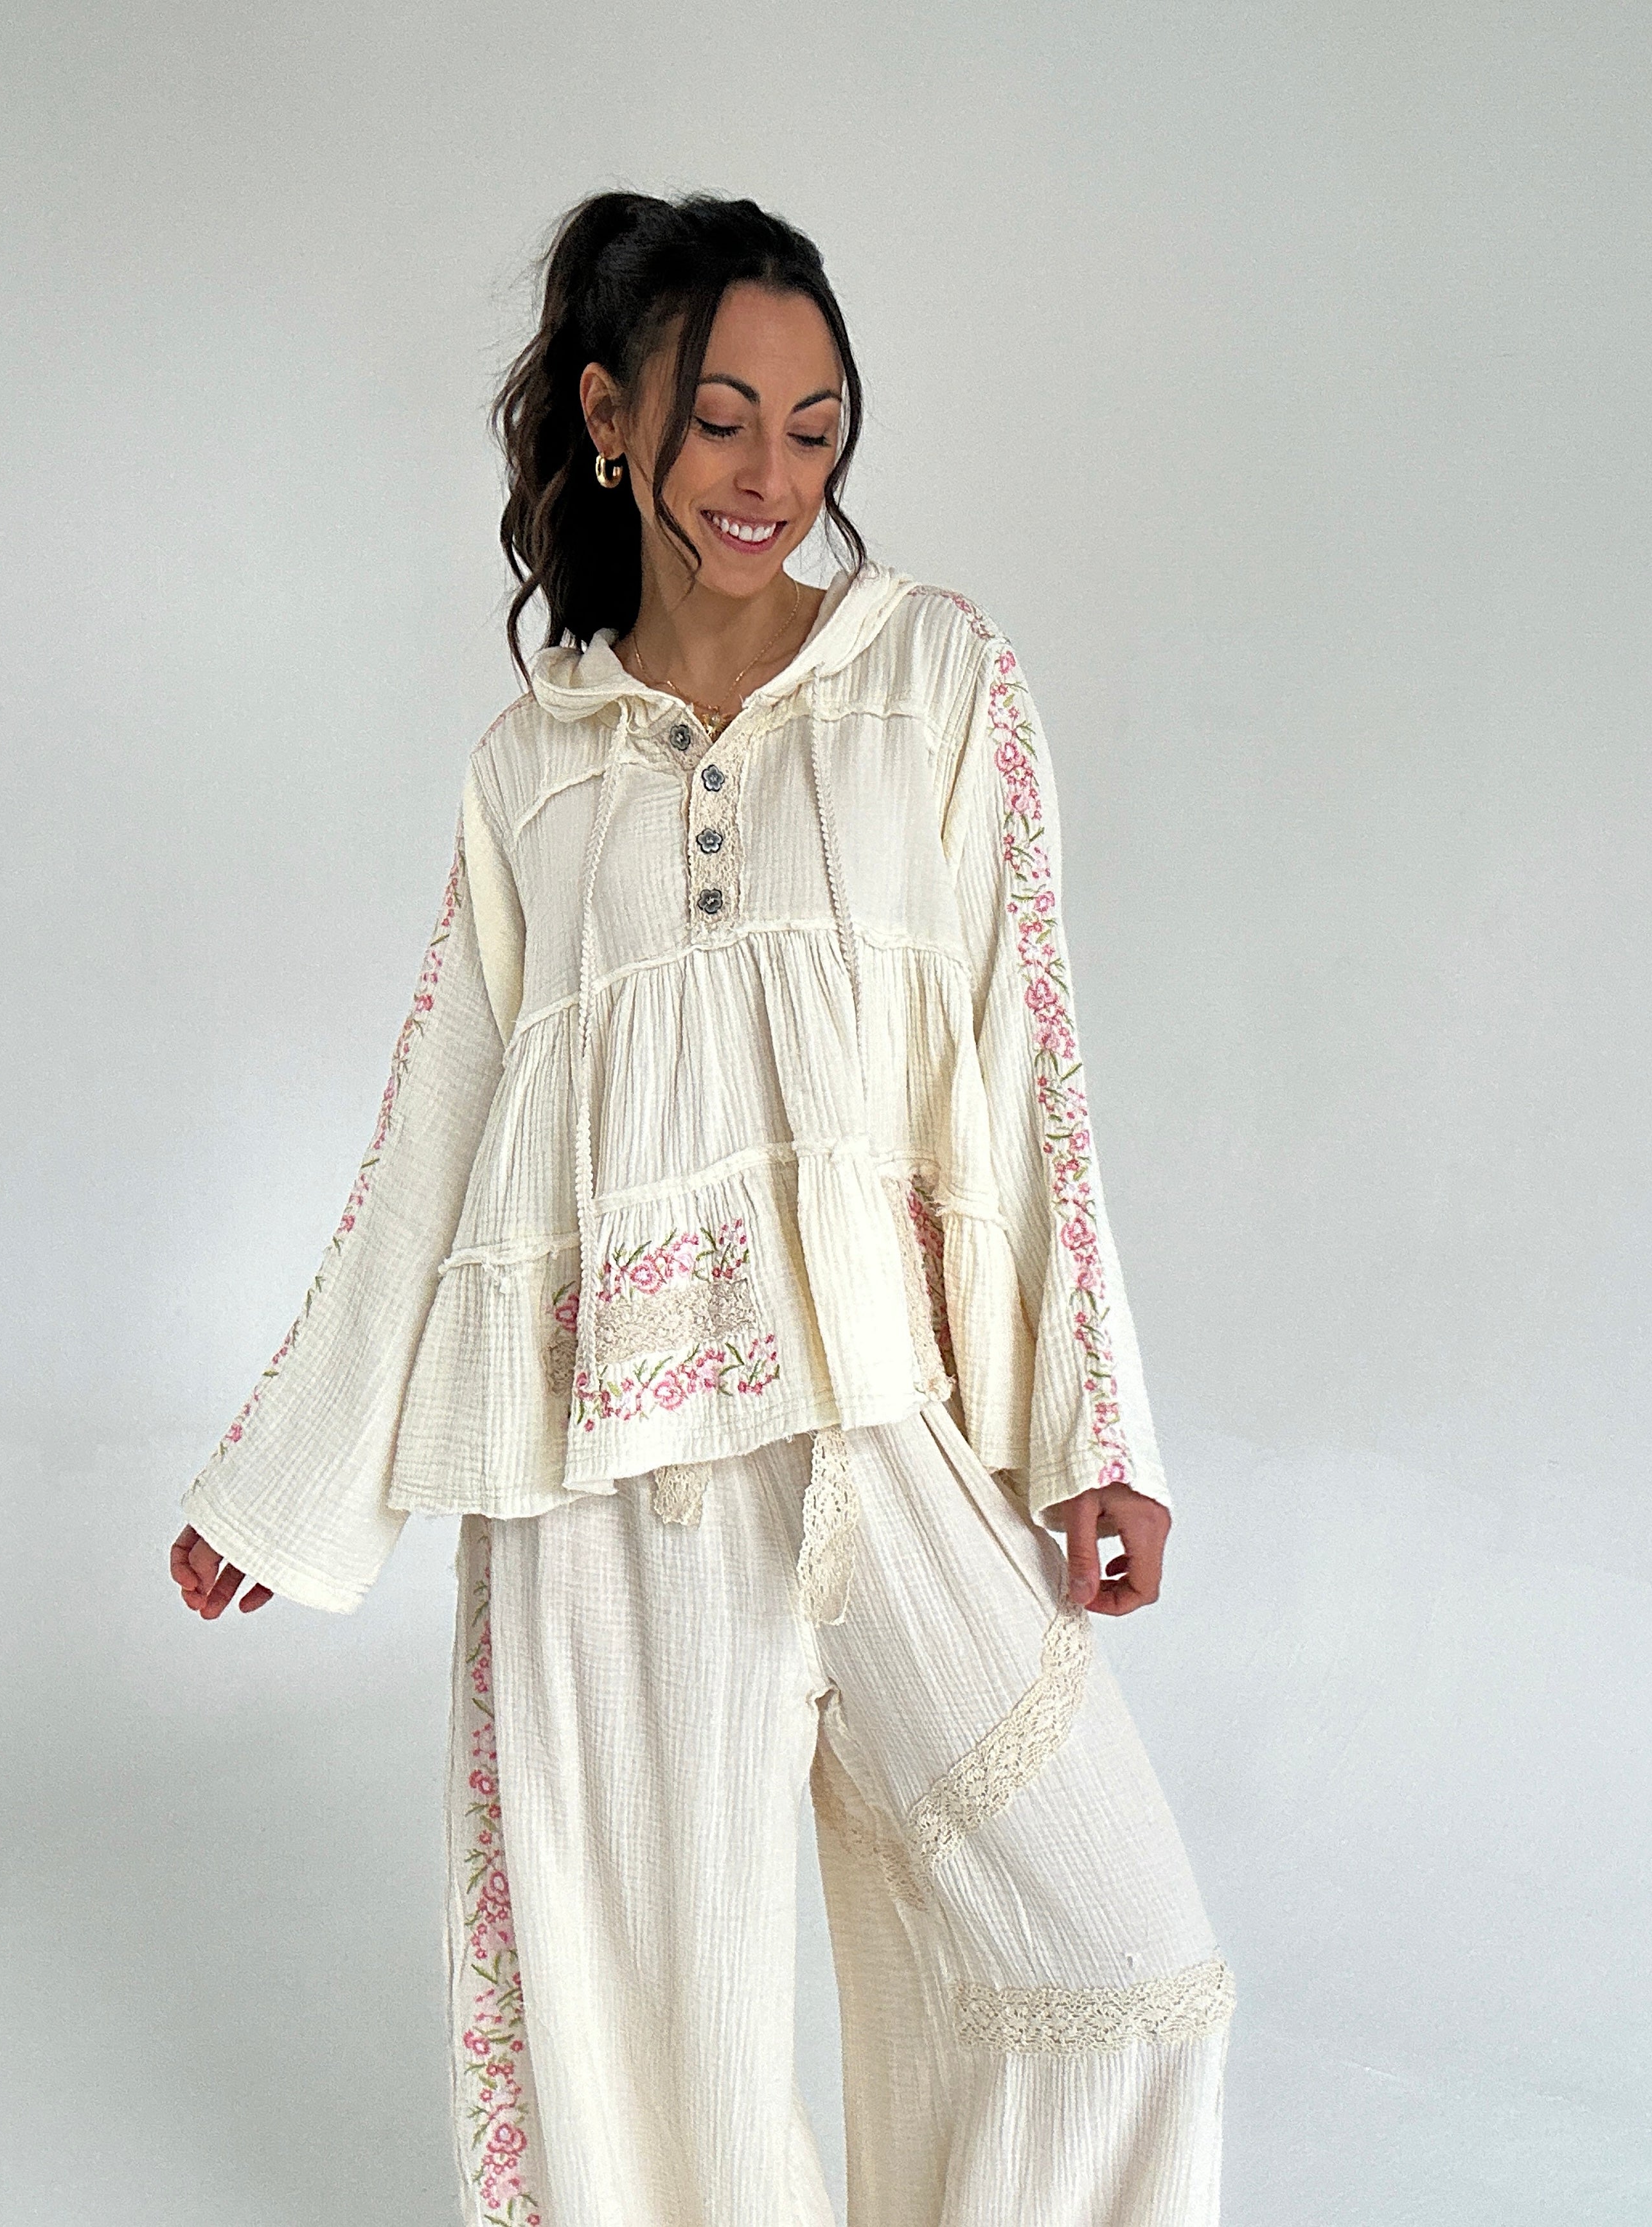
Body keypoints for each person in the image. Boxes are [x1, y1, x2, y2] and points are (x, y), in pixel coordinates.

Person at [169, 189, 1234, 2227]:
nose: (770, 475)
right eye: (723, 417)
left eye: (815, 427)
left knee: (1121, 1969)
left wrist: (1097, 1426)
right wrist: (284, 1484)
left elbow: (1031, 1051)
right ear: (611, 419)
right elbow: (438, 1137)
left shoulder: (936, 682)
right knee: (667, 2094)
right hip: (606, 1483)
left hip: (878, 1428)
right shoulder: (533, 771)